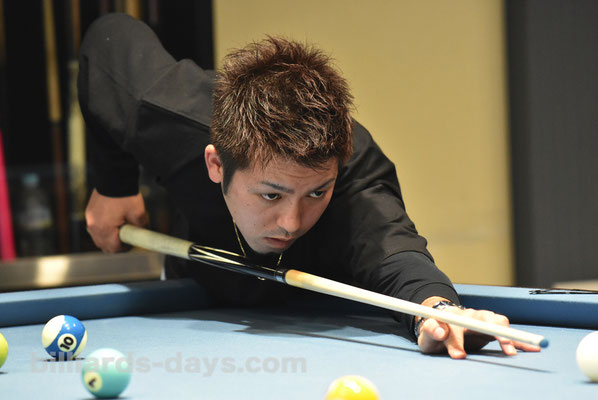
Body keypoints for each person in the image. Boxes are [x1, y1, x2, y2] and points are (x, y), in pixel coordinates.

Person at [78, 13, 540, 359]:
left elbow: (393, 251)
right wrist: (114, 185)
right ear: (216, 164)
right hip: (196, 290)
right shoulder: (168, 115)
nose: (291, 221)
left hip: (317, 313)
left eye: (316, 193)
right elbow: (107, 40)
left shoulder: (356, 173)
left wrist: (438, 312)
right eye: (271, 194)